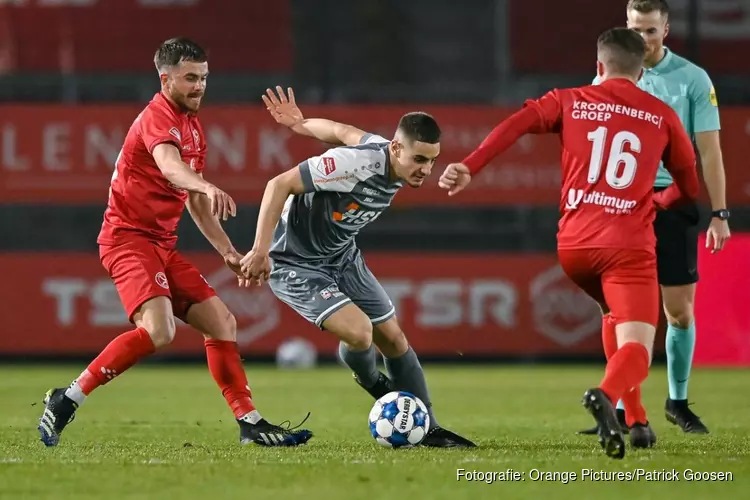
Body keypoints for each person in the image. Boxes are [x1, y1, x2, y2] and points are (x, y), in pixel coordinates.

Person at [37, 38, 312, 448]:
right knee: (160, 331)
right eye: (189, 78)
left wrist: (228, 253)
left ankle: (250, 423)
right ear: (165, 79)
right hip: (127, 240)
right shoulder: (157, 117)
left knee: (222, 322)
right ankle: (68, 398)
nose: (199, 86)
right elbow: (170, 168)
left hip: (161, 246)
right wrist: (203, 182)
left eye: (203, 77)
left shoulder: (192, 125)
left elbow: (196, 203)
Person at [438, 27, 700, 459]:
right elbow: (689, 187)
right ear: (642, 71)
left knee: (612, 315)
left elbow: (517, 123)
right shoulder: (662, 115)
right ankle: (605, 394)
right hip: (628, 246)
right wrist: (661, 198)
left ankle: (636, 420)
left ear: (599, 66)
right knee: (637, 344)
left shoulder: (569, 99)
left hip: (574, 247)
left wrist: (470, 165)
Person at [240, 86, 476, 448]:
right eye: (419, 160)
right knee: (361, 334)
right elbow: (279, 184)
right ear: (396, 149)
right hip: (296, 262)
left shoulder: (386, 151)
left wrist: (301, 123)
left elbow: (341, 130)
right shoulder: (354, 165)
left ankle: (428, 426)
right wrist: (260, 251)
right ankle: (375, 384)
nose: (426, 170)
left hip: (342, 256)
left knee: (394, 339)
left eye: (432, 160)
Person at [579, 0, 730, 436]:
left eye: (649, 30)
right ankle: (624, 411)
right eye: (634, 29)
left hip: (672, 202)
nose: (641, 39)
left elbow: (710, 152)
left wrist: (719, 213)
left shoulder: (692, 80)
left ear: (666, 29)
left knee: (679, 313)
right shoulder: (607, 75)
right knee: (614, 313)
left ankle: (676, 402)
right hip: (622, 205)